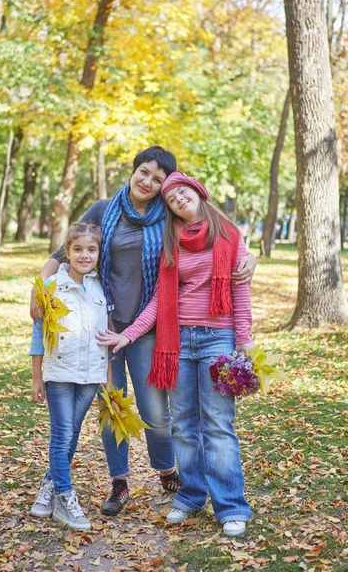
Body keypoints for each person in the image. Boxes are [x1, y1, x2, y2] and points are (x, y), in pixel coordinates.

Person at [30, 146, 256, 516]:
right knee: (112, 406)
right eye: (144, 173)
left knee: (155, 411)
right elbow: (62, 253)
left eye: (158, 179)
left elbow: (215, 235)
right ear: (133, 170)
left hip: (151, 328)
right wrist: (38, 290)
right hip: (105, 327)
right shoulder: (104, 210)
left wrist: (250, 257)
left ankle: (167, 469)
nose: (148, 182)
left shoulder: (168, 217)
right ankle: (119, 482)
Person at [97, 171, 254, 537]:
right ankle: (190, 496)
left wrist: (243, 339)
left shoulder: (229, 234)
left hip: (218, 338)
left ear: (197, 192)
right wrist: (129, 334)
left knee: (217, 424)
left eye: (182, 191)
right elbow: (159, 300)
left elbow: (240, 291)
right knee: (183, 423)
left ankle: (230, 505)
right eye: (170, 198)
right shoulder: (173, 241)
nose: (178, 199)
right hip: (179, 340)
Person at [30, 222, 110, 530]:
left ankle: (49, 486)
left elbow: (107, 336)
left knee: (72, 434)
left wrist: (107, 377)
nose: (85, 255)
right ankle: (65, 496)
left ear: (99, 254)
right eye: (78, 249)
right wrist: (37, 377)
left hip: (90, 376)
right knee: (62, 434)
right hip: (59, 373)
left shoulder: (103, 288)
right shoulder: (50, 288)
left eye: (91, 250)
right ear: (67, 252)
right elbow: (39, 336)